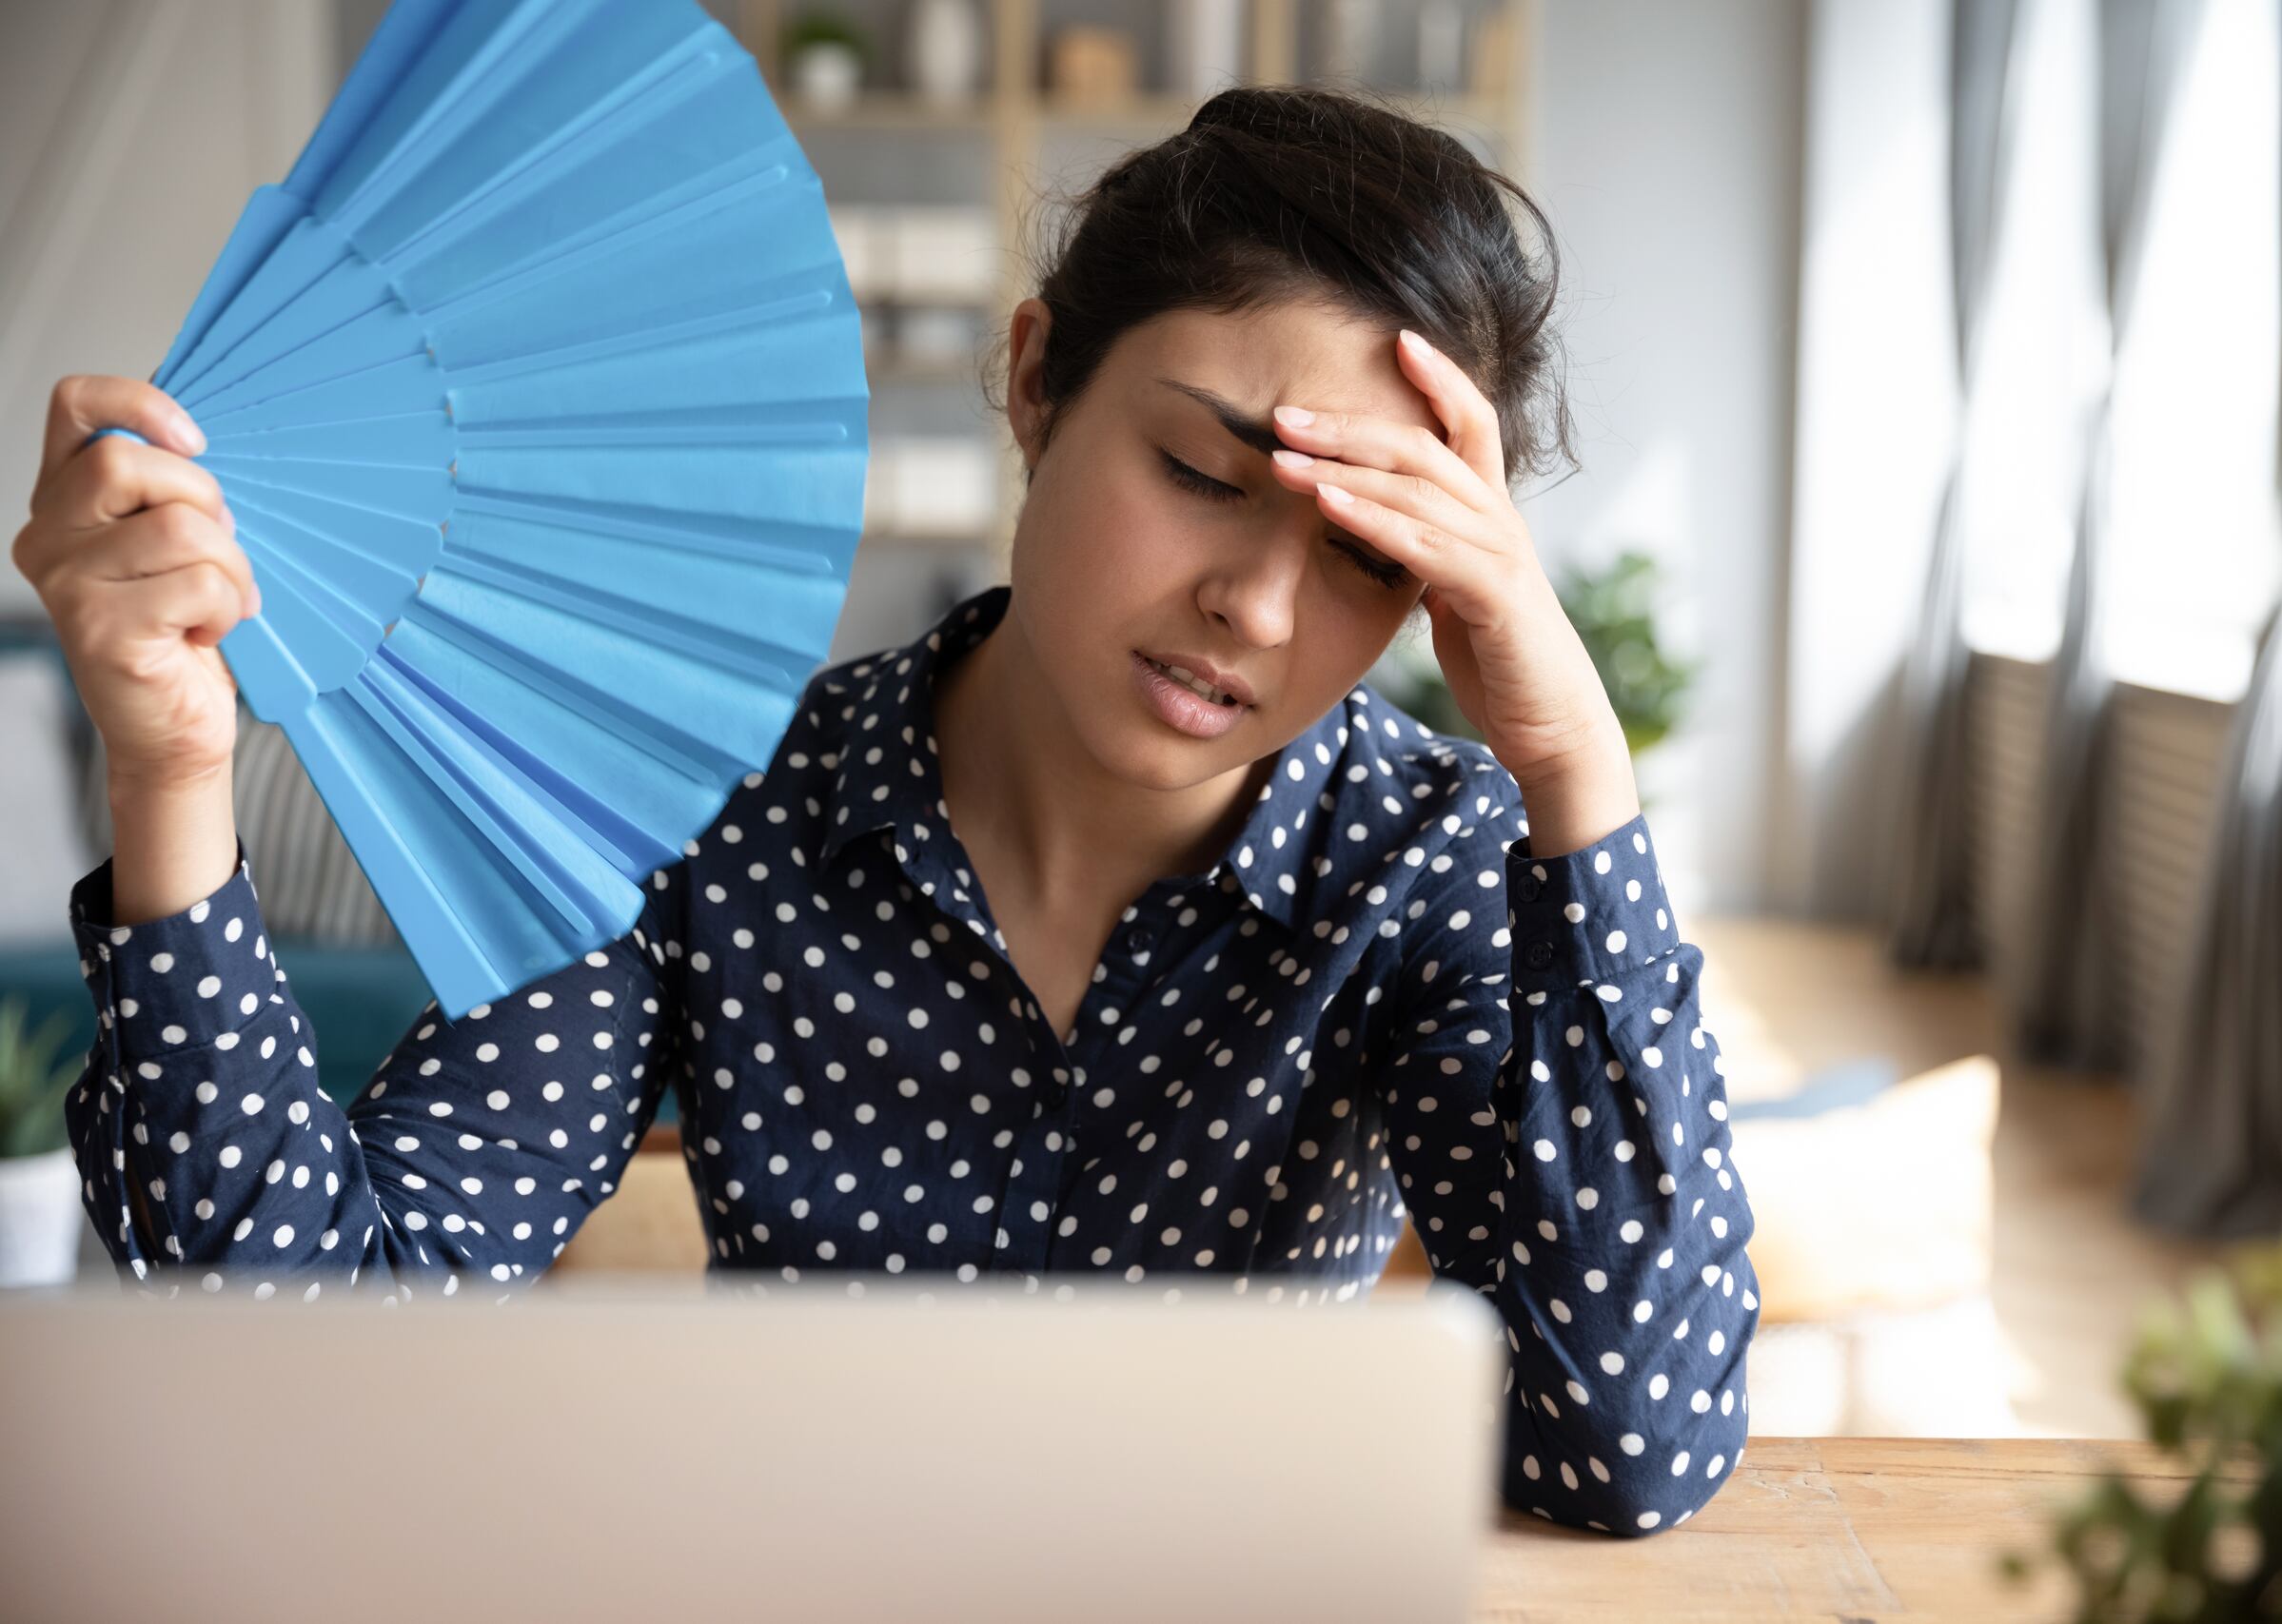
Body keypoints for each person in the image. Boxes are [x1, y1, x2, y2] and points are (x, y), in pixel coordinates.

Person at [11, 86, 1758, 1537]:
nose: (1265, 610)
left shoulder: (1427, 861)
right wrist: (173, 775)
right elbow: (318, 1352)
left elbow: (1624, 1449)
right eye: (1206, 479)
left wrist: (1575, 778)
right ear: (1036, 379)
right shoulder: (719, 811)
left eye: (1377, 556)